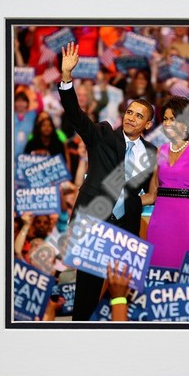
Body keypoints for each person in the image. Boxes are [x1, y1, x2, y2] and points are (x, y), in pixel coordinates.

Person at [58, 42, 157, 321]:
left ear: (148, 124)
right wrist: (67, 77)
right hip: (94, 222)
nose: (132, 118)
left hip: (125, 230)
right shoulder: (102, 134)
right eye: (129, 112)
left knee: (117, 295)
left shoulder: (151, 153)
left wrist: (139, 203)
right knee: (87, 295)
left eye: (139, 116)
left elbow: (145, 191)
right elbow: (76, 116)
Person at [143, 95, 189, 268]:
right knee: (157, 279)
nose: (167, 124)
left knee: (186, 283)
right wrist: (124, 200)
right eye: (165, 119)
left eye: (173, 119)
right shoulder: (161, 150)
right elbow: (152, 195)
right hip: (159, 225)